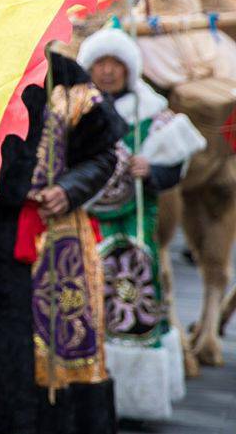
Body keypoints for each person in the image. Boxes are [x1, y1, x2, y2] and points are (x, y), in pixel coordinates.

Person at [0, 47, 126, 434]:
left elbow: (104, 155)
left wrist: (68, 189)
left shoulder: (69, 79)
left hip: (54, 236)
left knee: (49, 351)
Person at [77, 27, 205, 421]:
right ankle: (81, 390)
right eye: (101, 63)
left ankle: (135, 397)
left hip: (134, 226)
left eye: (117, 63)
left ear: (129, 69)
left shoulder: (152, 113)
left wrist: (151, 169)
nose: (109, 71)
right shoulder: (76, 108)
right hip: (83, 223)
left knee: (133, 303)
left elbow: (175, 167)